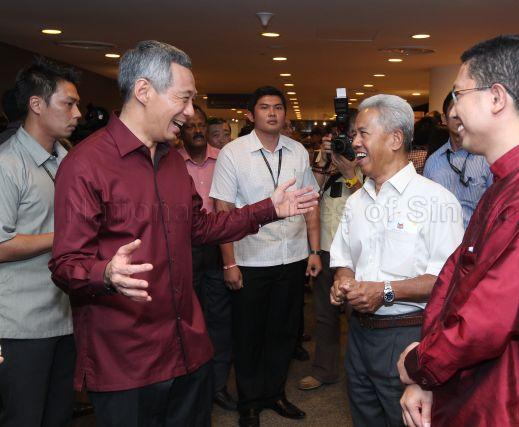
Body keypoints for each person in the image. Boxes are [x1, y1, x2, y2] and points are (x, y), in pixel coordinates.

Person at [48, 41, 318, 427]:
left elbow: (202, 226)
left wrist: (269, 209)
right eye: (184, 98)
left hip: (188, 349)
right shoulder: (85, 165)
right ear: (144, 91)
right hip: (128, 360)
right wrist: (104, 273)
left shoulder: (171, 161)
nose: (191, 113)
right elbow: (65, 264)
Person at [397, 34, 519, 427]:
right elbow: (459, 280)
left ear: (496, 98)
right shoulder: (510, 183)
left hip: (515, 405)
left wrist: (421, 364)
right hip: (484, 393)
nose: (452, 111)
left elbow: (487, 320)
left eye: (458, 94)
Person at [329, 94, 464, 426]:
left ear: (395, 139)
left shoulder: (436, 201)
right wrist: (342, 280)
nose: (354, 142)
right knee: (365, 416)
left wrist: (385, 291)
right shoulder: (356, 200)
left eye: (362, 133)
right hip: (358, 335)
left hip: (408, 336)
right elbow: (344, 256)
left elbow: (446, 281)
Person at [210, 85, 321, 427]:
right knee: (249, 334)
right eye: (264, 107)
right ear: (250, 115)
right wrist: (229, 262)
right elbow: (223, 212)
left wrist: (314, 250)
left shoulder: (299, 151)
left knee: (283, 332)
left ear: (285, 114)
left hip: (292, 256)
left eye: (277, 107)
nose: (272, 113)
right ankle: (249, 402)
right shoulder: (233, 153)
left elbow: (310, 203)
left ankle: (275, 393)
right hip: (250, 259)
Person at [0, 57, 81, 427]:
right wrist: (67, 236)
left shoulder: (66, 158)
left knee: (59, 416)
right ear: (36, 104)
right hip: (21, 325)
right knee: (25, 417)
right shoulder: (7, 165)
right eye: (68, 103)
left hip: (64, 315)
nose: (77, 112)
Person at [177, 104, 236, 411]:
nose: (198, 131)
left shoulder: (224, 159)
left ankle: (217, 386)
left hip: (217, 249)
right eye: (190, 126)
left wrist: (230, 261)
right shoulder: (171, 162)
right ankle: (191, 387)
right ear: (181, 130)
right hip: (183, 252)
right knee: (186, 321)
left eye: (201, 125)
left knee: (219, 322)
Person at [298, 116, 362, 391]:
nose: (345, 142)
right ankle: (324, 371)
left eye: (349, 136)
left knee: (359, 315)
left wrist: (349, 174)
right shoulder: (327, 164)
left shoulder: (369, 162)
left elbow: (372, 204)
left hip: (357, 253)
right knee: (325, 315)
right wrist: (323, 163)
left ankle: (362, 375)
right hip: (326, 247)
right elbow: (310, 197)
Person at [423, 92, 493, 228]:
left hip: (475, 243)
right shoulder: (433, 162)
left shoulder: (486, 158)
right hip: (441, 244)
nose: (460, 117)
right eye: (454, 111)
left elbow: (496, 205)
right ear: (444, 118)